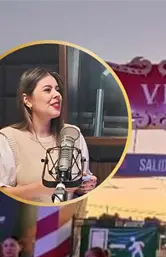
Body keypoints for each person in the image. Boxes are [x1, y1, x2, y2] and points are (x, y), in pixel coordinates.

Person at [0, 67, 97, 203]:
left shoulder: (72, 133)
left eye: (57, 89)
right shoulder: (8, 138)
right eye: (47, 90)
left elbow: (81, 183)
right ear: (27, 100)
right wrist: (42, 188)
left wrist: (84, 187)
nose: (57, 95)